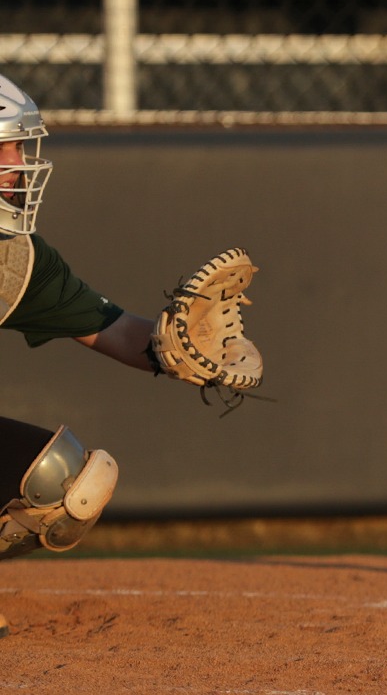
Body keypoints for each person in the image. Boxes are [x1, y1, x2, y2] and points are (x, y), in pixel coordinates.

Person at [0, 75, 211, 636]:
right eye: (4, 149)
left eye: (20, 147)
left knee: (62, 479)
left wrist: (180, 345)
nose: (19, 166)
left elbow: (113, 328)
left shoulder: (11, 262)